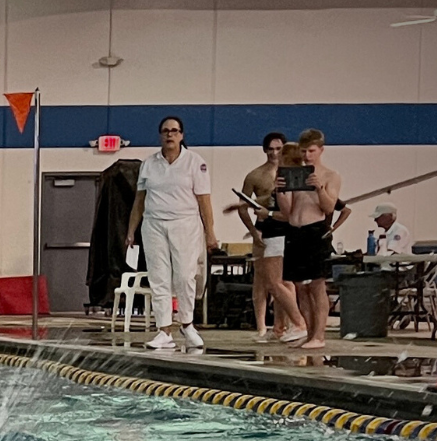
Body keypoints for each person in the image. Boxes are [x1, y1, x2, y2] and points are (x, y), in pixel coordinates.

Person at [126, 116, 219, 351]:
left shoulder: (195, 162)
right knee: (158, 277)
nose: (170, 135)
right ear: (160, 135)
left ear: (181, 135)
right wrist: (131, 230)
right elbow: (139, 200)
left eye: (174, 131)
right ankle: (164, 331)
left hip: (185, 224)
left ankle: (187, 324)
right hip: (153, 224)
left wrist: (210, 233)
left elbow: (204, 201)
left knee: (185, 276)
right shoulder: (149, 164)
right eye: (166, 131)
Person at [236, 131, 304, 343]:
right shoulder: (256, 175)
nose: (275, 153)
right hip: (266, 229)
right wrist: (253, 230)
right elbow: (245, 206)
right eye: (271, 149)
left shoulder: (292, 177)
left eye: (279, 149)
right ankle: (268, 327)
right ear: (265, 150)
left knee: (282, 282)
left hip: (283, 229)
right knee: (263, 281)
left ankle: (295, 324)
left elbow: (290, 209)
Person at [278, 130, 340, 350]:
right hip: (295, 231)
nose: (307, 156)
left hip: (315, 231)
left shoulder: (330, 176)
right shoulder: (296, 174)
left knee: (317, 285)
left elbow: (329, 208)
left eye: (311, 151)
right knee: (300, 287)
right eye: (303, 151)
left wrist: (319, 188)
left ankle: (320, 335)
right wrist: (280, 191)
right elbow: (287, 211)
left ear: (321, 150)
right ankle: (310, 332)